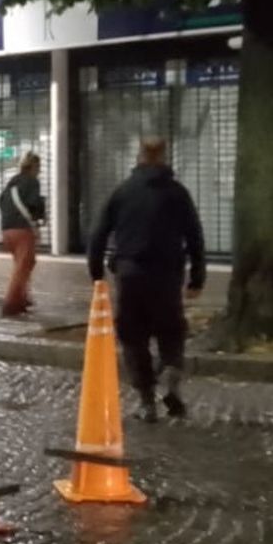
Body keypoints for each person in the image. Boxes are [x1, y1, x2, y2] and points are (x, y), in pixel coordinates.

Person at [87, 138, 205, 422]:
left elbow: (98, 234)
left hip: (130, 276)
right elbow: (195, 236)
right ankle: (171, 372)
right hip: (167, 275)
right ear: (164, 157)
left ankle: (146, 402)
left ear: (139, 156)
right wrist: (197, 278)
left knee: (133, 338)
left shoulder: (123, 192)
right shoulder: (178, 194)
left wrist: (96, 274)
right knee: (171, 331)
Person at [0, 151, 46, 316]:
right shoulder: (32, 182)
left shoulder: (12, 182)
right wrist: (40, 214)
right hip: (22, 230)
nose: (39, 170)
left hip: (7, 230)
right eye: (38, 166)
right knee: (22, 267)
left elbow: (1, 201)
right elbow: (33, 204)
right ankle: (11, 303)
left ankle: (23, 297)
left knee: (26, 263)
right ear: (32, 166)